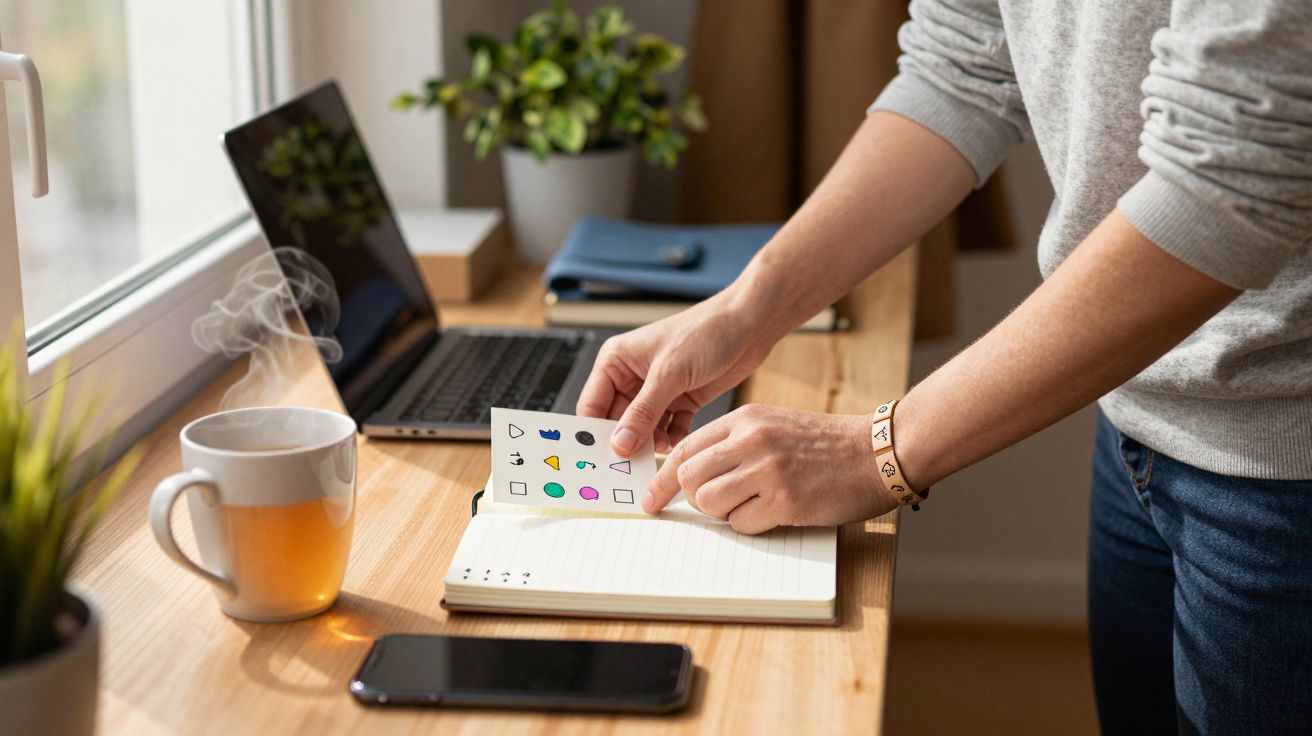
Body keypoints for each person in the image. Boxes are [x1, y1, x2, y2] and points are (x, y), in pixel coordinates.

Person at [576, 1, 1311, 733]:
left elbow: (1227, 188)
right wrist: (744, 310)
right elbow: (963, 63)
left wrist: (874, 453)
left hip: (1285, 466)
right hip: (1136, 421)